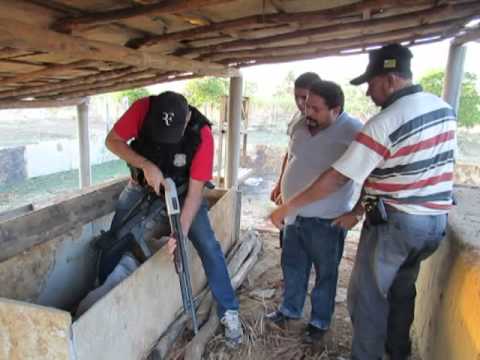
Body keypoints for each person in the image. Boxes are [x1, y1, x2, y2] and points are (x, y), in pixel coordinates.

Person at [269, 44, 456, 360]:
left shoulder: (386, 120)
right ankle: (396, 353)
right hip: (432, 222)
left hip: (397, 224)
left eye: (372, 83)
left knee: (366, 298)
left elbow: (339, 177)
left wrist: (288, 206)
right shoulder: (442, 109)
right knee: (401, 291)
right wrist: (358, 212)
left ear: (391, 79)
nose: (368, 92)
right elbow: (394, 175)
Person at [105, 91, 243, 345]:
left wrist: (179, 232)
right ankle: (100, 295)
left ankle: (229, 310)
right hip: (140, 186)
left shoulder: (201, 134)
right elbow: (112, 140)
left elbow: (194, 195)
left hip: (181, 192)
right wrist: (146, 165)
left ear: (187, 117)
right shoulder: (141, 109)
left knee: (209, 246)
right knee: (115, 237)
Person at [266, 80, 362, 345]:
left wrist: (357, 211)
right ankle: (289, 310)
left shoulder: (354, 131)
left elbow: (372, 175)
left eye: (316, 109)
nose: (307, 112)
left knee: (325, 274)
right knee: (293, 266)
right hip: (294, 216)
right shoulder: (301, 121)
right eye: (306, 105)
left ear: (336, 109)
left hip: (327, 221)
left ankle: (319, 322)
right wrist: (281, 184)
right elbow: (291, 155)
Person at [270, 72, 321, 247]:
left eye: (304, 97)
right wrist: (280, 185)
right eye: (296, 97)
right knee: (288, 241)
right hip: (291, 199)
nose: (300, 103)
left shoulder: (335, 124)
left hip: (316, 204)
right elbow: (290, 154)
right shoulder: (297, 120)